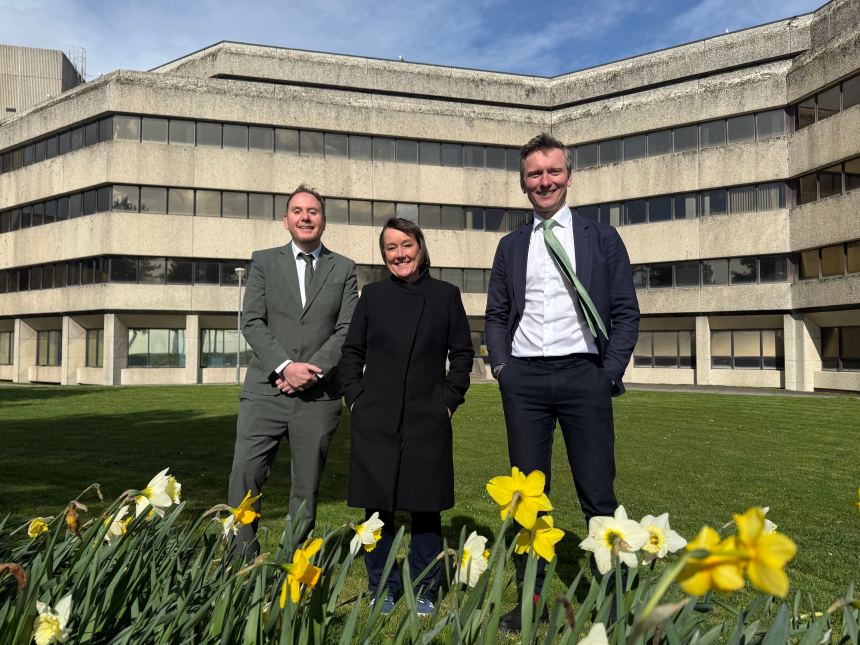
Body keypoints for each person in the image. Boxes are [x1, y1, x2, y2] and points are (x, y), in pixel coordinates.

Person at [485, 132, 640, 631]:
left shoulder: (601, 238)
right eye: (535, 173)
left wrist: (606, 374)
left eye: (553, 171)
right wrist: (504, 369)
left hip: (584, 376)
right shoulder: (510, 246)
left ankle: (616, 599)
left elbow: (625, 313)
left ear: (569, 176)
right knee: (526, 498)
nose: (544, 181)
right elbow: (496, 314)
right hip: (524, 379)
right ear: (522, 182)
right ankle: (529, 601)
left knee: (598, 492)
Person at [339, 217, 474, 615]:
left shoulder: (446, 296)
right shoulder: (373, 296)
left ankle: (425, 587)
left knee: (426, 509)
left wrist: (448, 401)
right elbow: (352, 353)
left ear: (420, 246)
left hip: (426, 415)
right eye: (391, 249)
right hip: (376, 416)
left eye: (406, 245)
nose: (399, 254)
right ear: (384, 256)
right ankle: (381, 584)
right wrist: (355, 398)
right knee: (376, 511)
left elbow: (462, 354)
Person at [228, 184, 358, 560]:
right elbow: (251, 321)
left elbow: (347, 329)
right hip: (265, 393)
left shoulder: (344, 268)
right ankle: (241, 560)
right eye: (298, 211)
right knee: (245, 476)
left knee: (307, 486)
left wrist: (310, 372)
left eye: (313, 211)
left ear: (323, 221)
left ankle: (293, 563)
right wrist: (285, 367)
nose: (305, 217)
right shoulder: (264, 262)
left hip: (318, 398)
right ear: (286, 220)